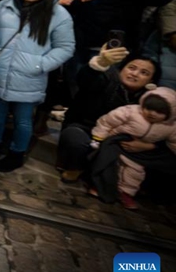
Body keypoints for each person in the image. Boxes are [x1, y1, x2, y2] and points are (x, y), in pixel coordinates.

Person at [0, 0, 75, 172]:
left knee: (23, 120)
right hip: (0, 71)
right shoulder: (5, 4)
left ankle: (17, 153)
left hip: (30, 77)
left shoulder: (58, 14)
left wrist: (40, 65)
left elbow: (66, 47)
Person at [56, 45, 159, 182]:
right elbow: (86, 79)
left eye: (144, 73)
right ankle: (76, 168)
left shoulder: (151, 99)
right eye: (132, 68)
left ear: (151, 81)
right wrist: (100, 63)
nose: (134, 74)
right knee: (75, 139)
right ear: (122, 68)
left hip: (119, 139)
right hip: (86, 130)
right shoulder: (106, 77)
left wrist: (150, 145)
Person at [90, 87, 176, 209]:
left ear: (170, 114)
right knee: (108, 163)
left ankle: (125, 193)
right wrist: (98, 137)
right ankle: (101, 187)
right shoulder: (131, 111)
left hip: (140, 151)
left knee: (136, 172)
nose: (152, 113)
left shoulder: (170, 126)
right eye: (149, 108)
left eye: (159, 112)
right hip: (117, 142)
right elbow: (108, 121)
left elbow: (174, 141)